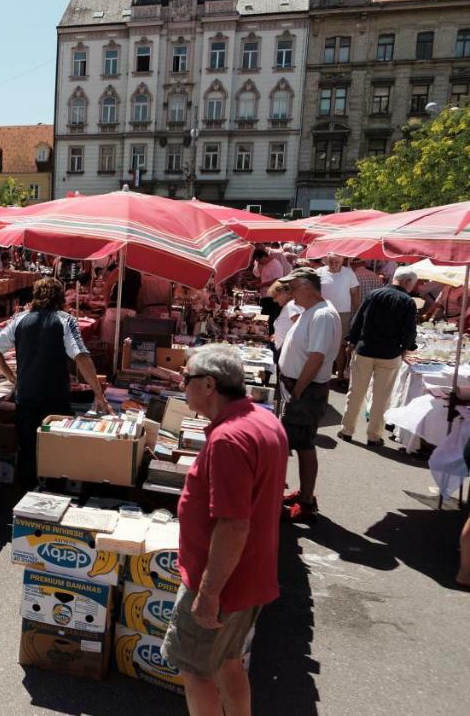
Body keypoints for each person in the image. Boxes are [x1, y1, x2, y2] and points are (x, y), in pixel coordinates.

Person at [163, 344, 287, 716]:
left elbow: (233, 525)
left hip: (222, 582)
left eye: (187, 379)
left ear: (209, 385)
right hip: (248, 575)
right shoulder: (263, 420)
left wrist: (208, 594)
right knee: (227, 661)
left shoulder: (229, 438)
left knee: (196, 670)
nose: (182, 386)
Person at [0, 278, 111, 491]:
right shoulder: (65, 320)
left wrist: (12, 377)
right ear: (60, 299)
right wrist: (98, 393)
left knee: (27, 450)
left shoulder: (20, 319)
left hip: (26, 396)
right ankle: (53, 498)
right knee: (56, 451)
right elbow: (81, 356)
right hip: (55, 397)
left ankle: (24, 501)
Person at [276, 268, 341, 524]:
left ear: (305, 286)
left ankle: (306, 501)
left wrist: (298, 391)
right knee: (297, 442)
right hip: (296, 386)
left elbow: (316, 358)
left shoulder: (322, 315)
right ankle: (304, 495)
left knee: (302, 443)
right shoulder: (313, 312)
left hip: (304, 388)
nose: (288, 293)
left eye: (291, 288)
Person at [339, 266, 419, 447]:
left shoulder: (374, 295)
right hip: (389, 354)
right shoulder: (407, 301)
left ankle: (346, 430)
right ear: (406, 282)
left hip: (365, 349)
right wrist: (407, 347)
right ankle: (374, 436)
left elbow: (358, 319)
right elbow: (409, 330)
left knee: (356, 393)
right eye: (412, 285)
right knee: (381, 397)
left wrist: (351, 341)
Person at [316, 254, 360, 382]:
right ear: (326, 261)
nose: (334, 264)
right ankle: (320, 373)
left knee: (340, 345)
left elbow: (355, 293)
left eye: (337, 262)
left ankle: (340, 374)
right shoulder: (319, 272)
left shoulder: (349, 273)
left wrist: (357, 313)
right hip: (322, 312)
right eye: (331, 261)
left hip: (343, 313)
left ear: (342, 262)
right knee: (321, 343)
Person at [268, 282, 302, 356]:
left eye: (275, 296)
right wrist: (277, 335)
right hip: (283, 350)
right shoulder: (288, 306)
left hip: (287, 352)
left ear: (283, 293)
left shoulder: (292, 306)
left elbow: (302, 329)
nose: (274, 300)